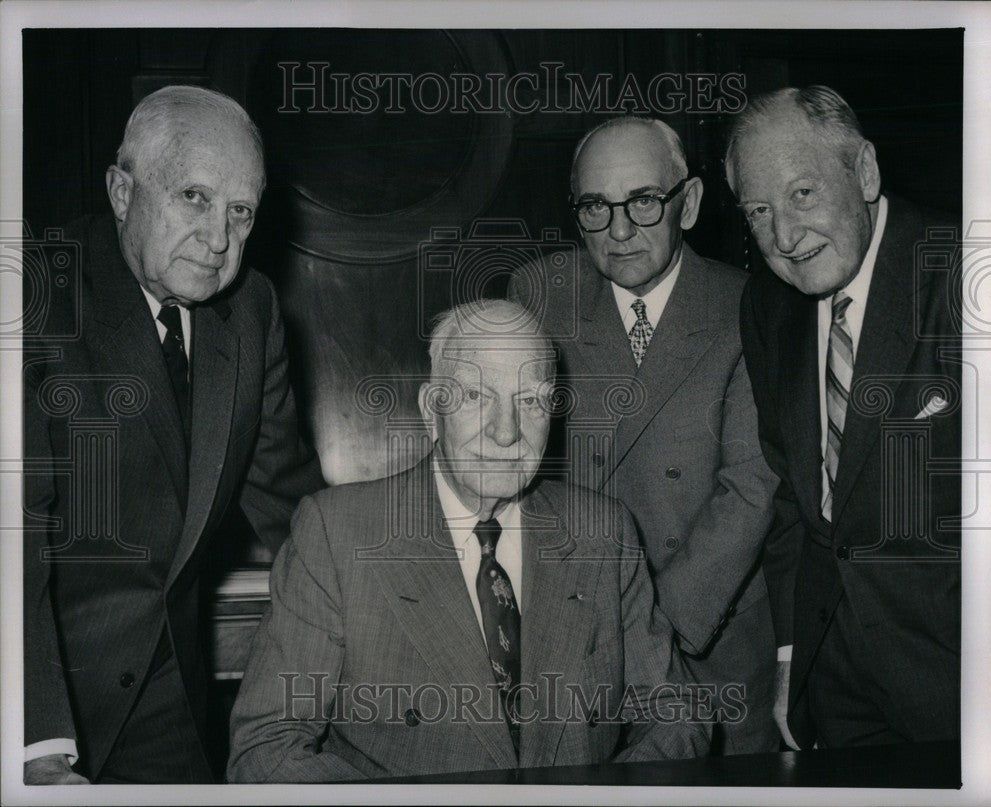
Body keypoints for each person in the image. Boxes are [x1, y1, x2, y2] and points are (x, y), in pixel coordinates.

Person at [228, 299, 710, 781]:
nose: (506, 433)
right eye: (476, 396)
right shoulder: (338, 535)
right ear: (430, 412)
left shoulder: (602, 534)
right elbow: (268, 748)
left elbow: (677, 713)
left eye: (530, 401)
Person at [23, 85, 323, 784]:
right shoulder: (35, 289)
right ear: (122, 192)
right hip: (38, 688)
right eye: (195, 196)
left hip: (168, 692)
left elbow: (289, 496)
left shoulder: (250, 309)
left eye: (241, 211)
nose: (220, 239)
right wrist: (36, 750)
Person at [508, 117, 780, 754]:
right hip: (577, 640)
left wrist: (645, 626)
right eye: (596, 207)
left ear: (688, 204)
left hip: (707, 636)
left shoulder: (750, 305)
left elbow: (749, 490)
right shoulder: (540, 295)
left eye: (644, 201)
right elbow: (517, 475)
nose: (620, 230)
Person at [726, 85, 961, 749]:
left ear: (864, 171)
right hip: (835, 682)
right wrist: (790, 661)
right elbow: (793, 506)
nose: (784, 237)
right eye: (759, 211)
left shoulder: (967, 274)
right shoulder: (768, 308)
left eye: (802, 194)